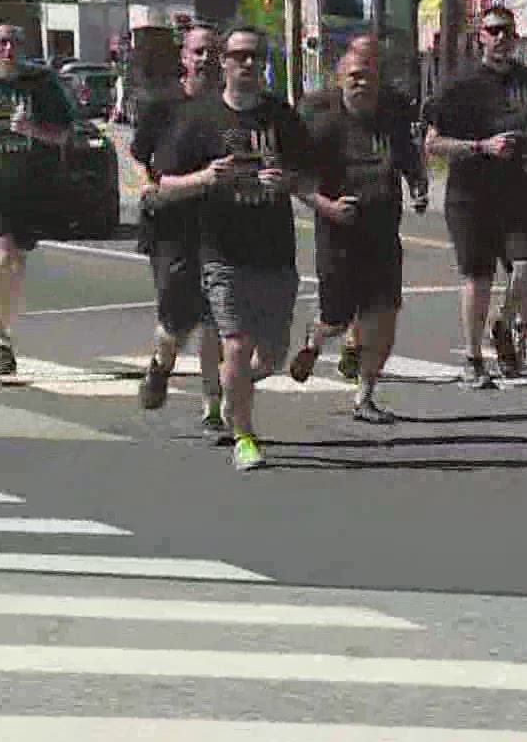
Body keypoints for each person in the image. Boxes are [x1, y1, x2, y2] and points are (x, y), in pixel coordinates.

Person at [144, 25, 316, 472]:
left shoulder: (282, 117)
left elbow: (312, 176)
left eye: (255, 56)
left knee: (271, 356)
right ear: (223, 62)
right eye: (237, 55)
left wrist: (290, 182)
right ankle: (243, 435)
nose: (246, 63)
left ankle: (229, 389)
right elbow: (163, 183)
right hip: (221, 252)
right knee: (235, 345)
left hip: (276, 253)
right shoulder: (199, 118)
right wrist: (205, 178)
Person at [287, 43, 425, 422]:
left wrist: (418, 188)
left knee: (383, 313)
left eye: (368, 76)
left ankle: (365, 396)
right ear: (340, 81)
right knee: (338, 317)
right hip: (339, 234)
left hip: (383, 230)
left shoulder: (391, 117)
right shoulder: (322, 122)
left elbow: (410, 159)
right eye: (353, 77)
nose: (361, 83)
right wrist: (328, 207)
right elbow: (297, 181)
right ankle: (315, 340)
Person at [424, 5, 527, 390]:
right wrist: (481, 146)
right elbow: (433, 144)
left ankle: (505, 321)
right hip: (471, 194)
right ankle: (473, 356)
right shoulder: (459, 85)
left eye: (507, 32)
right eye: (493, 31)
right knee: (478, 277)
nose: (501, 38)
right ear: (480, 36)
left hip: (520, 190)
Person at [132, 25, 229, 437]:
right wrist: (147, 187)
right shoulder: (162, 105)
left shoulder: (232, 106)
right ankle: (161, 362)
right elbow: (138, 155)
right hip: (170, 222)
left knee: (213, 316)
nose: (204, 58)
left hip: (220, 222)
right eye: (197, 51)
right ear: (184, 58)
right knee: (176, 318)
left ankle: (213, 406)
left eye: (211, 51)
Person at [332, 34, 429, 382]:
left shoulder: (394, 106)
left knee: (381, 301)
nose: (366, 72)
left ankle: (362, 373)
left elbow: (406, 148)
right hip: (340, 220)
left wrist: (417, 183)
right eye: (360, 63)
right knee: (344, 303)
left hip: (383, 216)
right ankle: (341, 339)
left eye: (373, 64)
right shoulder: (325, 107)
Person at [0, 22, 77, 378]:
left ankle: (2, 330)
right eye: (0, 43)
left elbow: (63, 135)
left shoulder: (41, 84)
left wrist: (32, 130)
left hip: (26, 188)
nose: (8, 50)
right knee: (3, 256)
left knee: (14, 264)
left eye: (14, 43)